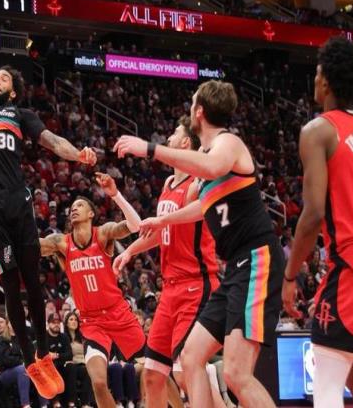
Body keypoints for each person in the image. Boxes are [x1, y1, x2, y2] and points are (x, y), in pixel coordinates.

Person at [114, 79, 285, 407]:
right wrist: (163, 221)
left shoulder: (227, 143)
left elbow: (211, 166)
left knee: (236, 374)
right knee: (191, 358)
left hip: (256, 259)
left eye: (192, 103)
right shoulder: (205, 162)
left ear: (199, 111)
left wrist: (149, 148)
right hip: (235, 267)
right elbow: (202, 207)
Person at [0, 22, 97, 397]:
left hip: (18, 199)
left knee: (33, 280)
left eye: (3, 78)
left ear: (13, 90)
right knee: (11, 282)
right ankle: (30, 359)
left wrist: (78, 155)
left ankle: (44, 353)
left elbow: (52, 142)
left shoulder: (21, 114)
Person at [282, 37, 353, 408]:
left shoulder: (318, 130)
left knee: (325, 386)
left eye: (317, 72)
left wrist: (290, 276)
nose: (314, 79)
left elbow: (313, 214)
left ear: (326, 81)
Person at [114, 115, 220, 407]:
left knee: (186, 371)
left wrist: (162, 221)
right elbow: (162, 232)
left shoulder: (198, 183)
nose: (169, 136)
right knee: (151, 376)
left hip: (196, 285)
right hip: (170, 289)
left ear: (185, 142)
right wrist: (129, 251)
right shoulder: (169, 184)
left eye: (174, 132)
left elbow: (200, 210)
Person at [39, 173, 145, 408]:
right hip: (92, 322)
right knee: (98, 383)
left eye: (80, 206)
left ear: (91, 214)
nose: (74, 209)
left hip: (119, 314)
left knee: (154, 371)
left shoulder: (103, 233)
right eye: (72, 207)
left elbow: (136, 225)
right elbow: (31, 247)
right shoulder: (61, 243)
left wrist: (115, 195)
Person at [0, 317, 47, 408]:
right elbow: (6, 359)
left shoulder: (24, 339)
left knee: (38, 368)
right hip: (6, 371)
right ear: (8, 325)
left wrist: (28, 362)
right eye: (12, 322)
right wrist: (23, 362)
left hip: (24, 367)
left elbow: (32, 354)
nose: (15, 324)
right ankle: (25, 404)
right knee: (23, 369)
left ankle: (44, 404)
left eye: (1, 322)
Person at [64, 311, 93, 408]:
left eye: (76, 320)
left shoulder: (82, 337)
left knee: (88, 370)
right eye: (71, 319)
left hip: (82, 364)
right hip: (69, 365)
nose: (74, 321)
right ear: (66, 323)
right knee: (72, 368)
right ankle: (73, 403)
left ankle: (85, 403)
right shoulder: (64, 337)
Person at [46, 312, 73, 407]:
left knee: (71, 367)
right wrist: (58, 356)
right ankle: (55, 401)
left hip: (62, 364)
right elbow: (44, 355)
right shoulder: (44, 337)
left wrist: (56, 355)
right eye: (53, 322)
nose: (56, 324)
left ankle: (71, 402)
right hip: (49, 367)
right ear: (48, 324)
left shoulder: (64, 337)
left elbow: (70, 355)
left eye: (58, 322)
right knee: (53, 366)